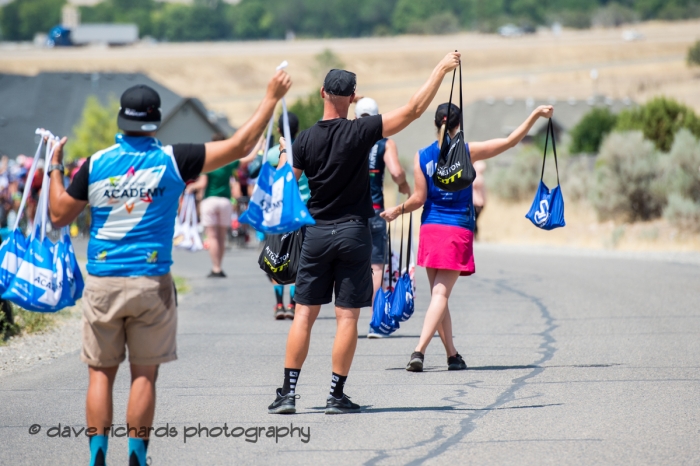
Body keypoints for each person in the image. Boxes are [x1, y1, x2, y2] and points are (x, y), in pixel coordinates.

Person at [47, 71, 291, 466]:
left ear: (121, 121)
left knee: (100, 374)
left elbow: (59, 215)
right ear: (155, 120)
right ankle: (137, 458)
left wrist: (55, 167)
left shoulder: (95, 164)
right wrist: (270, 96)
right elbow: (241, 145)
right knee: (144, 375)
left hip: (104, 279)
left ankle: (96, 457)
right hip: (152, 282)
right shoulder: (173, 159)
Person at [267, 51, 461, 415]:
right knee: (347, 318)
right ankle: (336, 395)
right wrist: (439, 69)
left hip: (316, 233)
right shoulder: (362, 130)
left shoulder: (305, 140)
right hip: (355, 232)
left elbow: (285, 187)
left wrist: (284, 155)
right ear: (352, 98)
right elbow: (414, 109)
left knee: (304, 314)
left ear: (323, 92)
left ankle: (288, 394)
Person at [381, 103, 554, 372]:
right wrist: (535, 115)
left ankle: (452, 355)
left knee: (439, 298)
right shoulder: (468, 151)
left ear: (436, 123)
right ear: (458, 125)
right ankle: (419, 351)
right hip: (456, 231)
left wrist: (398, 210)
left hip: (430, 230)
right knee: (441, 295)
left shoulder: (422, 156)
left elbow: (418, 199)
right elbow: (510, 142)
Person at [354, 97, 412, 339]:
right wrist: (403, 185)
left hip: (350, 212)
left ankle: (347, 322)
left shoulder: (347, 138)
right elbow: (397, 171)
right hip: (375, 210)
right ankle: (375, 321)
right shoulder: (384, 143)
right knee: (377, 266)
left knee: (350, 266)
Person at [186, 134, 260, 278]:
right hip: (225, 201)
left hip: (210, 201)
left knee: (212, 237)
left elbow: (202, 183)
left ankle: (215, 268)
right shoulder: (229, 162)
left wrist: (191, 187)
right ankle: (220, 265)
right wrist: (259, 143)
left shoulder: (208, 162)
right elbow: (248, 159)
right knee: (221, 237)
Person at [265, 112, 311, 320]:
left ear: (278, 131)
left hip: (279, 212)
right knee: (296, 258)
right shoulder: (304, 148)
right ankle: (293, 304)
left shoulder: (273, 154)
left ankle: (278, 305)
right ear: (296, 129)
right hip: (301, 210)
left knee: (277, 254)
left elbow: (265, 182)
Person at [472, 160, 487, 239]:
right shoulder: (481, 178)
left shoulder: (477, 178)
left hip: (476, 203)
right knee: (475, 220)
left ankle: (475, 234)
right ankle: (475, 235)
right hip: (479, 203)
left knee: (474, 219)